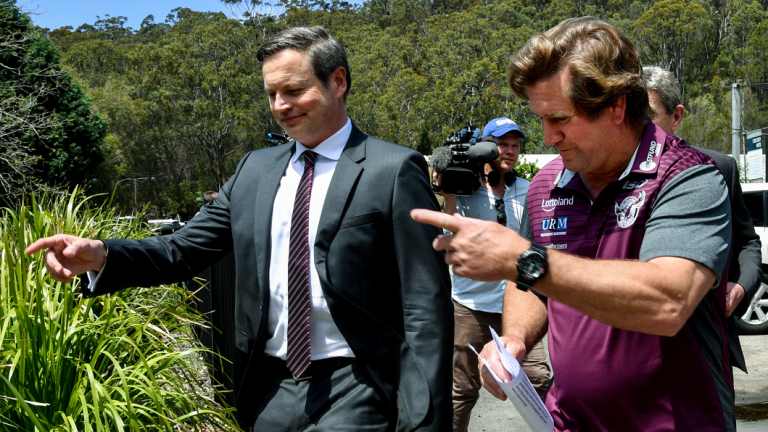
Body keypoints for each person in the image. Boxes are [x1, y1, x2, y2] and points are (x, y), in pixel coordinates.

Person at [26, 26, 452, 431]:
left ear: (337, 81)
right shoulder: (254, 171)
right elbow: (183, 249)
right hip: (270, 389)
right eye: (272, 94)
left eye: (293, 90)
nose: (281, 105)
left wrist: (423, 416)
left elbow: (424, 304)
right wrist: (103, 255)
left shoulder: (392, 170)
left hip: (358, 384)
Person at [412, 17, 735, 431]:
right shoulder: (546, 185)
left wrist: (525, 260)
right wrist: (514, 341)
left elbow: (667, 301)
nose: (548, 137)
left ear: (616, 107)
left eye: (560, 119)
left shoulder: (687, 177)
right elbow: (527, 284)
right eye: (541, 119)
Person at [643, 65, 762, 373]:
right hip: (635, 349)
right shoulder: (609, 176)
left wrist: (740, 287)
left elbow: (747, 241)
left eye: (650, 116)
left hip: (708, 347)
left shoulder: (717, 168)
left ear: (677, 116)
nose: (639, 127)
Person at [435, 117, 551, 431]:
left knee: (540, 377)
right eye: (502, 144)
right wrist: (448, 191)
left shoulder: (528, 190)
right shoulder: (464, 190)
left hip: (518, 302)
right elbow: (449, 231)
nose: (509, 151)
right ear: (485, 148)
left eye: (515, 145)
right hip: (471, 303)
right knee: (463, 388)